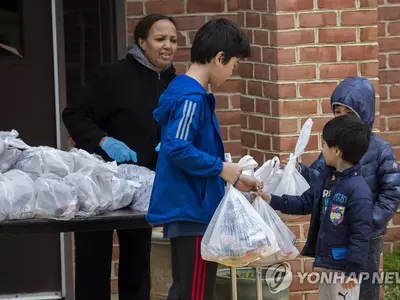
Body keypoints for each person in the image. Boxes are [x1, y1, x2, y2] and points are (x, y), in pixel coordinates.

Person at [62, 13, 178, 300]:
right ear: (141, 42)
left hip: (141, 187)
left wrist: (169, 142)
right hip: (99, 182)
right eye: (160, 39)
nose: (168, 46)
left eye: (173, 40)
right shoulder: (115, 75)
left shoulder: (174, 83)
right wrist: (103, 140)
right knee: (93, 261)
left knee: (138, 263)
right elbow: (74, 113)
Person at [146, 18, 259, 300]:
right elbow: (177, 147)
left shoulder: (188, 93)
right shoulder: (192, 99)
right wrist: (221, 168)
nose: (232, 72)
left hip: (192, 208)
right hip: (193, 212)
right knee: (195, 294)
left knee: (187, 290)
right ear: (220, 58)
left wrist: (232, 176)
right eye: (233, 65)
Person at [294, 77, 400, 300]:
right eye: (337, 111)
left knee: (365, 289)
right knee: (337, 291)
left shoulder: (381, 150)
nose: (341, 117)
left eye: (348, 112)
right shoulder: (334, 150)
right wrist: (296, 170)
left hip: (367, 239)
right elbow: (316, 179)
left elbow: (391, 193)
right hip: (337, 239)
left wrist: (366, 223)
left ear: (364, 114)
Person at [258, 114, 373, 300]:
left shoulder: (358, 190)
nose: (322, 149)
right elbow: (305, 202)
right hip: (325, 262)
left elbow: (361, 233)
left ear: (337, 151)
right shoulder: (326, 179)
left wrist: (353, 269)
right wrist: (271, 199)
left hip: (344, 270)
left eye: (325, 145)